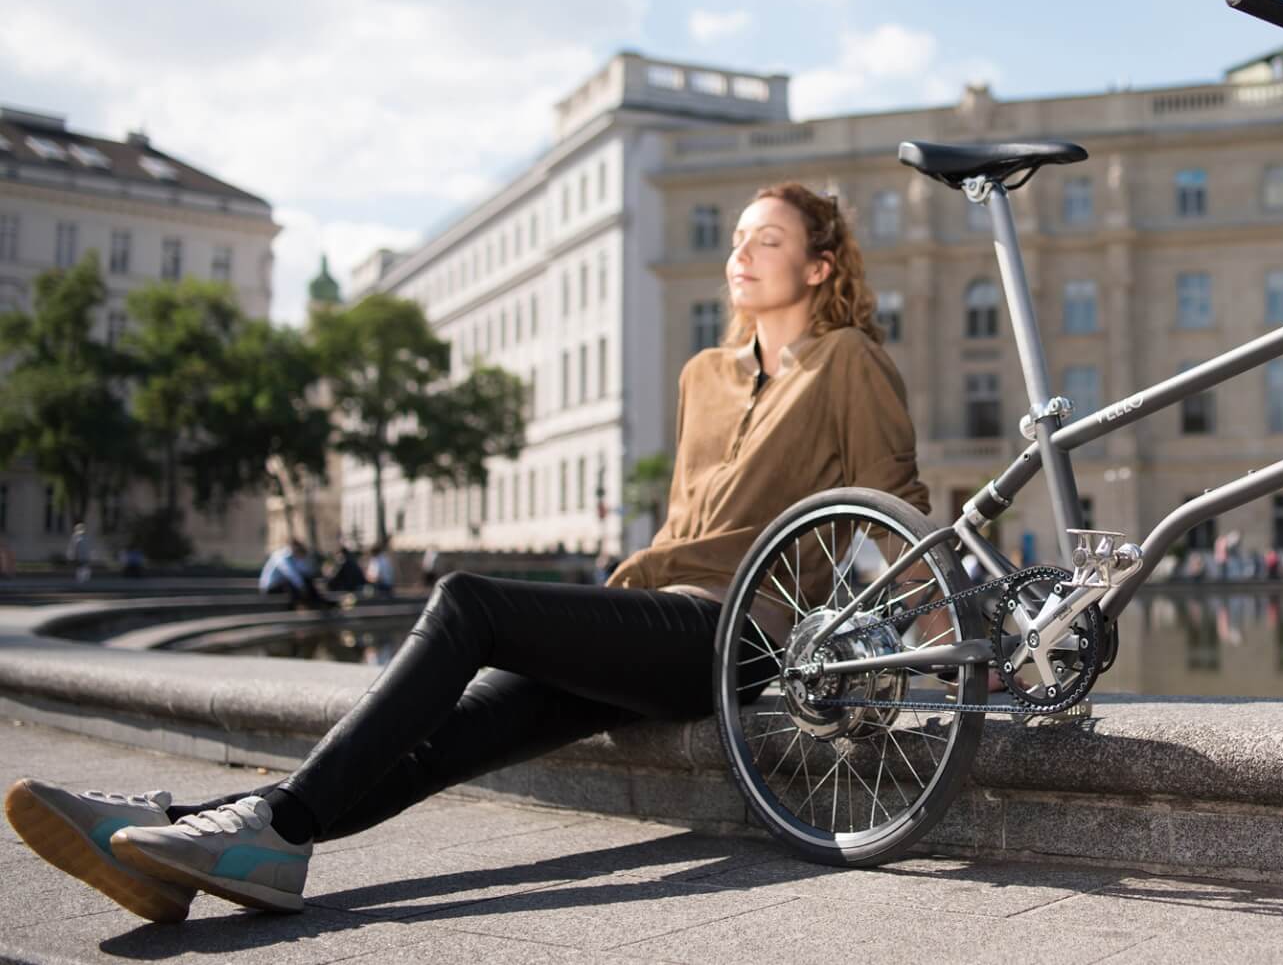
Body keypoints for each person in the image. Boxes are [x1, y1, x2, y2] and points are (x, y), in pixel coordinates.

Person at [4, 181, 931, 924]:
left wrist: (943, 636)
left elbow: (900, 504)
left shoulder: (848, 358)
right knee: (436, 747)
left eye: (767, 239)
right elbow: (677, 521)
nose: (741, 253)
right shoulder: (703, 375)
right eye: (735, 236)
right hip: (651, 616)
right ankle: (183, 834)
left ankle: (257, 830)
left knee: (469, 601)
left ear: (818, 266)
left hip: (738, 633)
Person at [258, 539, 333, 609]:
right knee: (294, 583)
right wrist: (303, 587)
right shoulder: (280, 556)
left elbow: (305, 571)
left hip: (282, 585)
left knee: (305, 580)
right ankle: (305, 604)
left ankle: (317, 601)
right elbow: (290, 574)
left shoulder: (293, 557)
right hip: (270, 588)